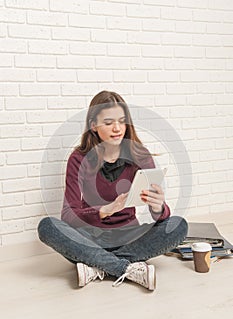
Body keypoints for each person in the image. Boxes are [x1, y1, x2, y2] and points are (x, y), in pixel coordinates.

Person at [38, 90, 187, 291]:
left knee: (178, 225)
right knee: (48, 226)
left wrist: (159, 206)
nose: (117, 128)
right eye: (108, 123)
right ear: (93, 125)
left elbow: (159, 217)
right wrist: (105, 210)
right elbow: (67, 215)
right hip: (90, 236)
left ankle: (97, 266)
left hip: (129, 236)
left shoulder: (140, 156)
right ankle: (126, 268)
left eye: (122, 121)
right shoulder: (79, 158)